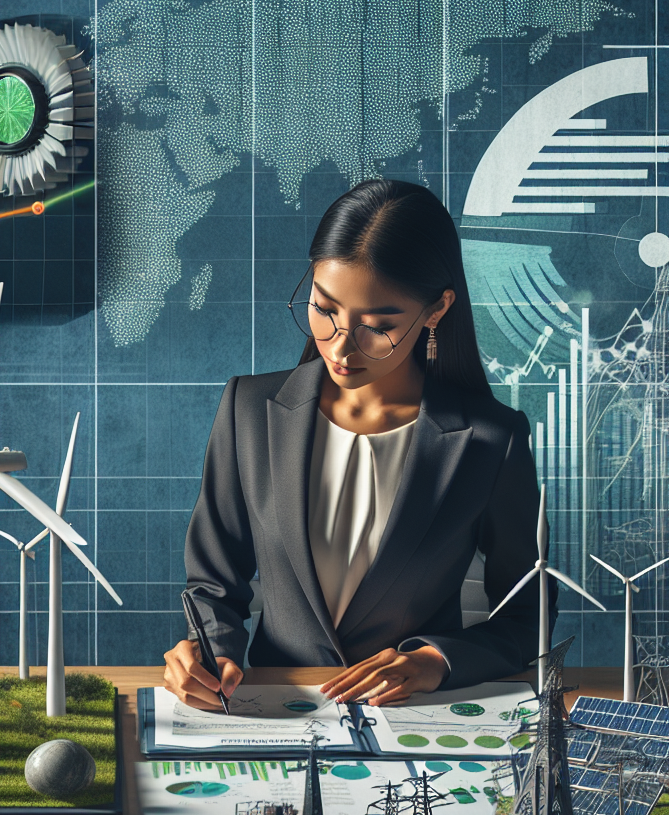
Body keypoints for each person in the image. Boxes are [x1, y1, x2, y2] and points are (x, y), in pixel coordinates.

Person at [163, 179, 552, 711]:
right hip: (275, 709)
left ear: (436, 311)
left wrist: (436, 661)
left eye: (377, 326)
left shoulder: (490, 440)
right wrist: (209, 653)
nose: (341, 346)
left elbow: (528, 610)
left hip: (416, 721)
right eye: (324, 310)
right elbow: (212, 582)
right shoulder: (249, 409)